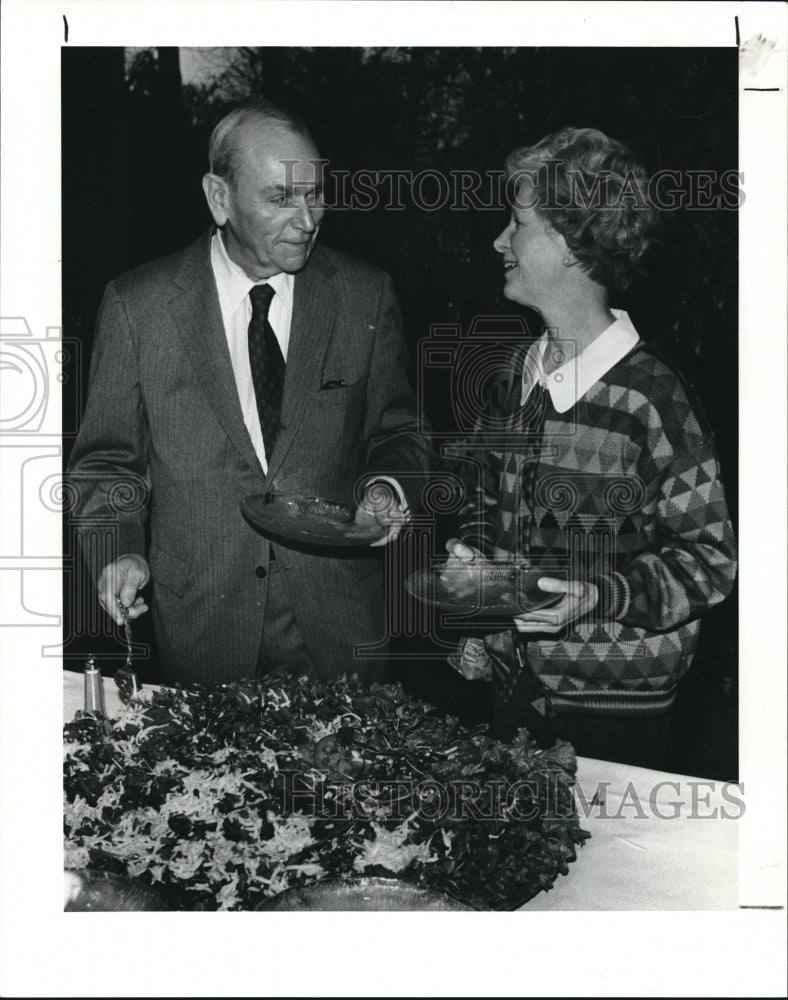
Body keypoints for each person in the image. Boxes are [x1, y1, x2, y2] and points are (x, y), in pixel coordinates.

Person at [67, 100, 431, 687]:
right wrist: (120, 551)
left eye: (315, 194)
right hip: (201, 630)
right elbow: (108, 464)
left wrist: (388, 485)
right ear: (220, 197)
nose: (308, 219)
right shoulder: (139, 306)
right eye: (281, 198)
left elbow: (399, 432)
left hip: (339, 628)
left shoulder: (364, 295)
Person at [445, 127, 737, 768]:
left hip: (615, 720)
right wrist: (482, 606)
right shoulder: (515, 378)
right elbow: (491, 514)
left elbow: (711, 559)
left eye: (517, 221)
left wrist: (602, 595)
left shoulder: (652, 397)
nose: (500, 239)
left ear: (574, 241)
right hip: (515, 698)